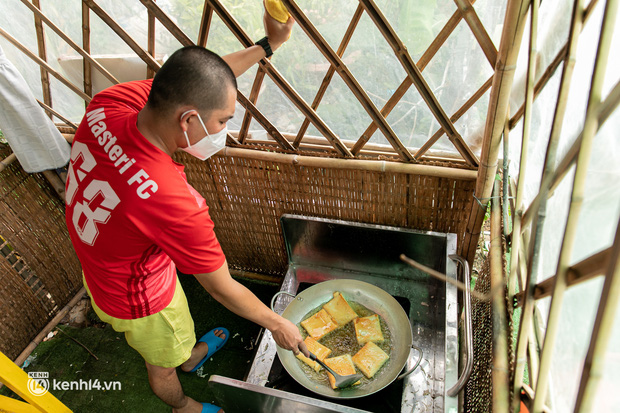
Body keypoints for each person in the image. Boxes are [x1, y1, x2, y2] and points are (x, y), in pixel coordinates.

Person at [64, 8, 307, 413]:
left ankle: (188, 355)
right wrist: (278, 323)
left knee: (173, 343)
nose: (222, 129)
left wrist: (269, 45)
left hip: (101, 265)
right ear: (189, 120)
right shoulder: (173, 201)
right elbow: (219, 286)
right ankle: (183, 404)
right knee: (160, 361)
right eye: (222, 120)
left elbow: (200, 80)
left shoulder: (111, 103)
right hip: (141, 297)